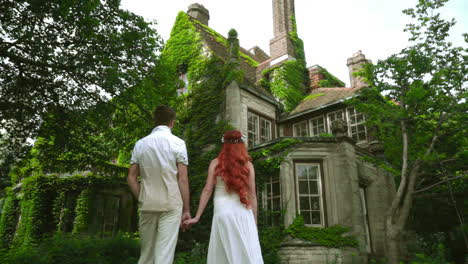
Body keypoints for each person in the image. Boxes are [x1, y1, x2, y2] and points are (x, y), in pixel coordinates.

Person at [183, 130, 264, 264]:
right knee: (246, 254)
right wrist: (254, 221)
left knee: (223, 255)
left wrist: (197, 217)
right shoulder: (248, 165)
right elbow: (252, 195)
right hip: (243, 214)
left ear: (224, 145)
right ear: (242, 145)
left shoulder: (215, 163)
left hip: (222, 213)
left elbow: (207, 190)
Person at [127, 105, 191, 264]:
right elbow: (182, 179)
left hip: (147, 203)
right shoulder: (178, 143)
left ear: (154, 121)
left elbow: (131, 178)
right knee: (164, 255)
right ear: (172, 122)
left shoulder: (140, 144)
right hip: (171, 204)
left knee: (146, 254)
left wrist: (141, 197)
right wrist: (187, 209)